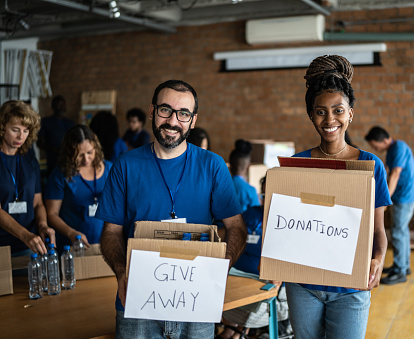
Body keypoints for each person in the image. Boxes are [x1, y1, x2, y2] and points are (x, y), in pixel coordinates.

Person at [95, 79, 247, 339]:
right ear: (152, 112)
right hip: (137, 302)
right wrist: (121, 272)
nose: (173, 121)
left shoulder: (213, 166)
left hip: (195, 302)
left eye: (183, 113)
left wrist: (221, 270)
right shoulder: (126, 165)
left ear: (193, 120)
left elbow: (236, 228)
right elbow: (111, 232)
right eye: (165, 110)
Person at [289, 55, 391, 338]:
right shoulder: (297, 164)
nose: (330, 119)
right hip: (303, 285)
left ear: (350, 114)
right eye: (320, 111)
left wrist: (379, 259)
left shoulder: (370, 166)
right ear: (311, 115)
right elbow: (288, 226)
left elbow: (378, 230)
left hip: (350, 287)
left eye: (338, 110)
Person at [218, 176, 291, 339]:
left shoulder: (289, 223)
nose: (267, 201)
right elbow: (227, 232)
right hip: (235, 275)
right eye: (264, 196)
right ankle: (232, 330)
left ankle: (237, 332)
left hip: (262, 283)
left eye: (272, 195)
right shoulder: (252, 213)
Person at [365, 126, 414, 285]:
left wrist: (384, 199)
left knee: (397, 232)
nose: (375, 149)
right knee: (402, 231)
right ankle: (403, 265)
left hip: (404, 198)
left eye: (376, 146)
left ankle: (400, 271)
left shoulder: (399, 148)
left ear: (384, 140)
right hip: (402, 197)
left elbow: (395, 174)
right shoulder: (392, 150)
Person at [44, 125, 112, 251]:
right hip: (73, 246)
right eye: (79, 155)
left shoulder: (110, 169)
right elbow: (52, 214)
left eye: (90, 152)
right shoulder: (60, 175)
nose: (86, 159)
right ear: (69, 153)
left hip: (105, 245)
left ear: (96, 148)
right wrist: (70, 233)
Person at [0, 100, 55, 255]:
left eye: (25, 131)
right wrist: (26, 235)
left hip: (28, 245)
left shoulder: (30, 160)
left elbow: (38, 203)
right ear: (2, 127)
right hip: (3, 245)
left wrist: (43, 226)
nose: (20, 136)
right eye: (15, 129)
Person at [38, 95, 75, 176]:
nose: (62, 107)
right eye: (60, 105)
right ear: (53, 106)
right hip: (53, 161)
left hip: (69, 161)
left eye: (64, 105)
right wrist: (53, 149)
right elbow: (39, 143)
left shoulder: (70, 123)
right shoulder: (46, 122)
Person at [229, 139, 260, 212]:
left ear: (230, 166)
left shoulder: (220, 186)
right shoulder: (250, 190)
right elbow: (255, 217)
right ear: (249, 166)